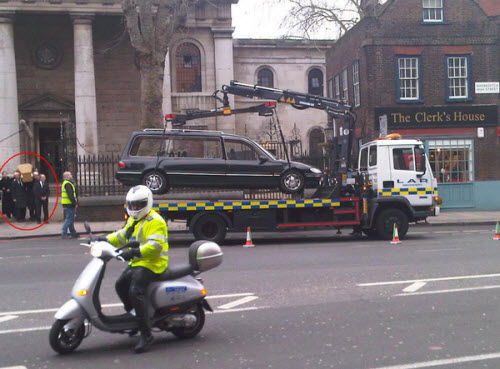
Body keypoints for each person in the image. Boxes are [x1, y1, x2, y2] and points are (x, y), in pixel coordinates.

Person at [104, 185, 168, 353]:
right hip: (139, 262)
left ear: (147, 203)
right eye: (131, 205)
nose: (134, 208)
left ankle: (147, 334)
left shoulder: (156, 221)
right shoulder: (134, 219)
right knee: (120, 285)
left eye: (138, 205)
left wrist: (132, 252)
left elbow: (155, 247)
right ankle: (135, 319)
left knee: (135, 291)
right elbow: (122, 235)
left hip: (153, 263)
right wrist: (104, 240)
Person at [61, 171, 79, 238]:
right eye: (70, 175)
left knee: (70, 219)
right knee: (69, 219)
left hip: (67, 204)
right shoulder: (67, 184)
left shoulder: (68, 183)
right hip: (69, 204)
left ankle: (73, 233)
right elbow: (70, 195)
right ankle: (64, 233)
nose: (71, 175)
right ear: (67, 176)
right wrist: (75, 203)